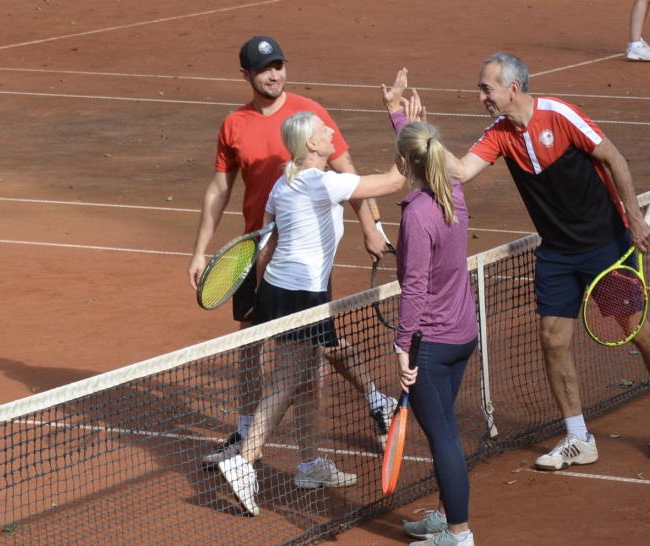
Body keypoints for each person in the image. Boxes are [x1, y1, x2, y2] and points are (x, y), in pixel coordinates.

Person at [429, 53, 650, 471]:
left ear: (512, 88)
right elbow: (459, 171)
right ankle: (578, 437)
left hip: (604, 245)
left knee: (634, 328)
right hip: (556, 253)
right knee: (552, 339)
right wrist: (419, 132)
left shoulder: (560, 115)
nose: (481, 97)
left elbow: (614, 159)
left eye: (486, 89)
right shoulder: (500, 134)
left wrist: (635, 218)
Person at [187, 36, 397, 465]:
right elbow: (219, 188)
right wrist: (200, 250)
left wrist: (371, 227)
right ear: (245, 74)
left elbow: (347, 173)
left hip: (304, 257)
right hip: (255, 252)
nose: (274, 75)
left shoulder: (309, 115)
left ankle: (371, 405)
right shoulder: (234, 125)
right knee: (251, 343)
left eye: (279, 65)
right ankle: (247, 433)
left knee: (315, 349)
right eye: (265, 68)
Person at [217, 110, 407, 515]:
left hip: (280, 291)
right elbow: (394, 181)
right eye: (324, 130)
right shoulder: (323, 183)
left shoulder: (282, 184)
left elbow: (267, 248)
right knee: (286, 381)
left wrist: (261, 298)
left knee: (305, 380)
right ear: (312, 144)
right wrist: (405, 125)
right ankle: (244, 460)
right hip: (303, 295)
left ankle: (309, 465)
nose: (330, 131)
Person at [381, 70, 478, 546]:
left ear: (405, 162)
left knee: (444, 438)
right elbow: (421, 150)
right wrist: (399, 115)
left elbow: (415, 287)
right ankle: (444, 518)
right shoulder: (452, 191)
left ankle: (459, 536)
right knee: (446, 428)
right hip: (463, 335)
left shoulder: (417, 214)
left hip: (431, 347)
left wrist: (403, 347)